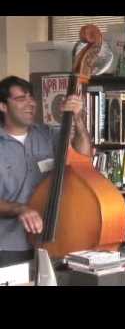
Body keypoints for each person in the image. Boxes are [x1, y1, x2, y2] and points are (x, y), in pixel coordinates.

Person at [0, 76, 91, 267]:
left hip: (54, 239)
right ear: (3, 106)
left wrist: (78, 119)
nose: (31, 103)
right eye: (21, 98)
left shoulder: (47, 134)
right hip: (9, 245)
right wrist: (20, 209)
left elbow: (84, 156)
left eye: (31, 97)